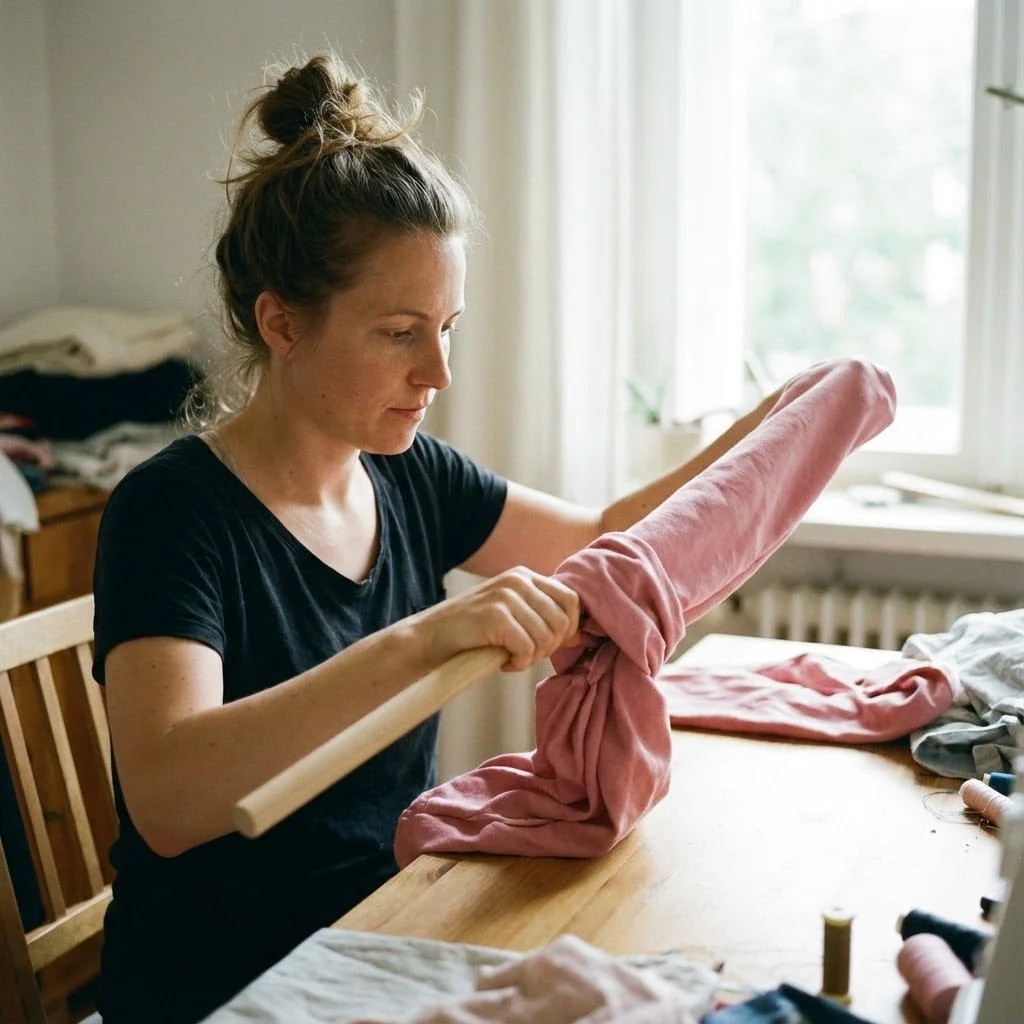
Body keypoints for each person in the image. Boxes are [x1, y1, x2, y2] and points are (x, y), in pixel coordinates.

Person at [93, 52, 784, 1024]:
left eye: (448, 327)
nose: (438, 372)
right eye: (399, 332)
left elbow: (599, 537)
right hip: (217, 988)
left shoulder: (410, 474)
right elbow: (166, 797)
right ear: (281, 322)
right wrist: (423, 640)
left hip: (379, 933)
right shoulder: (170, 514)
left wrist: (771, 430)